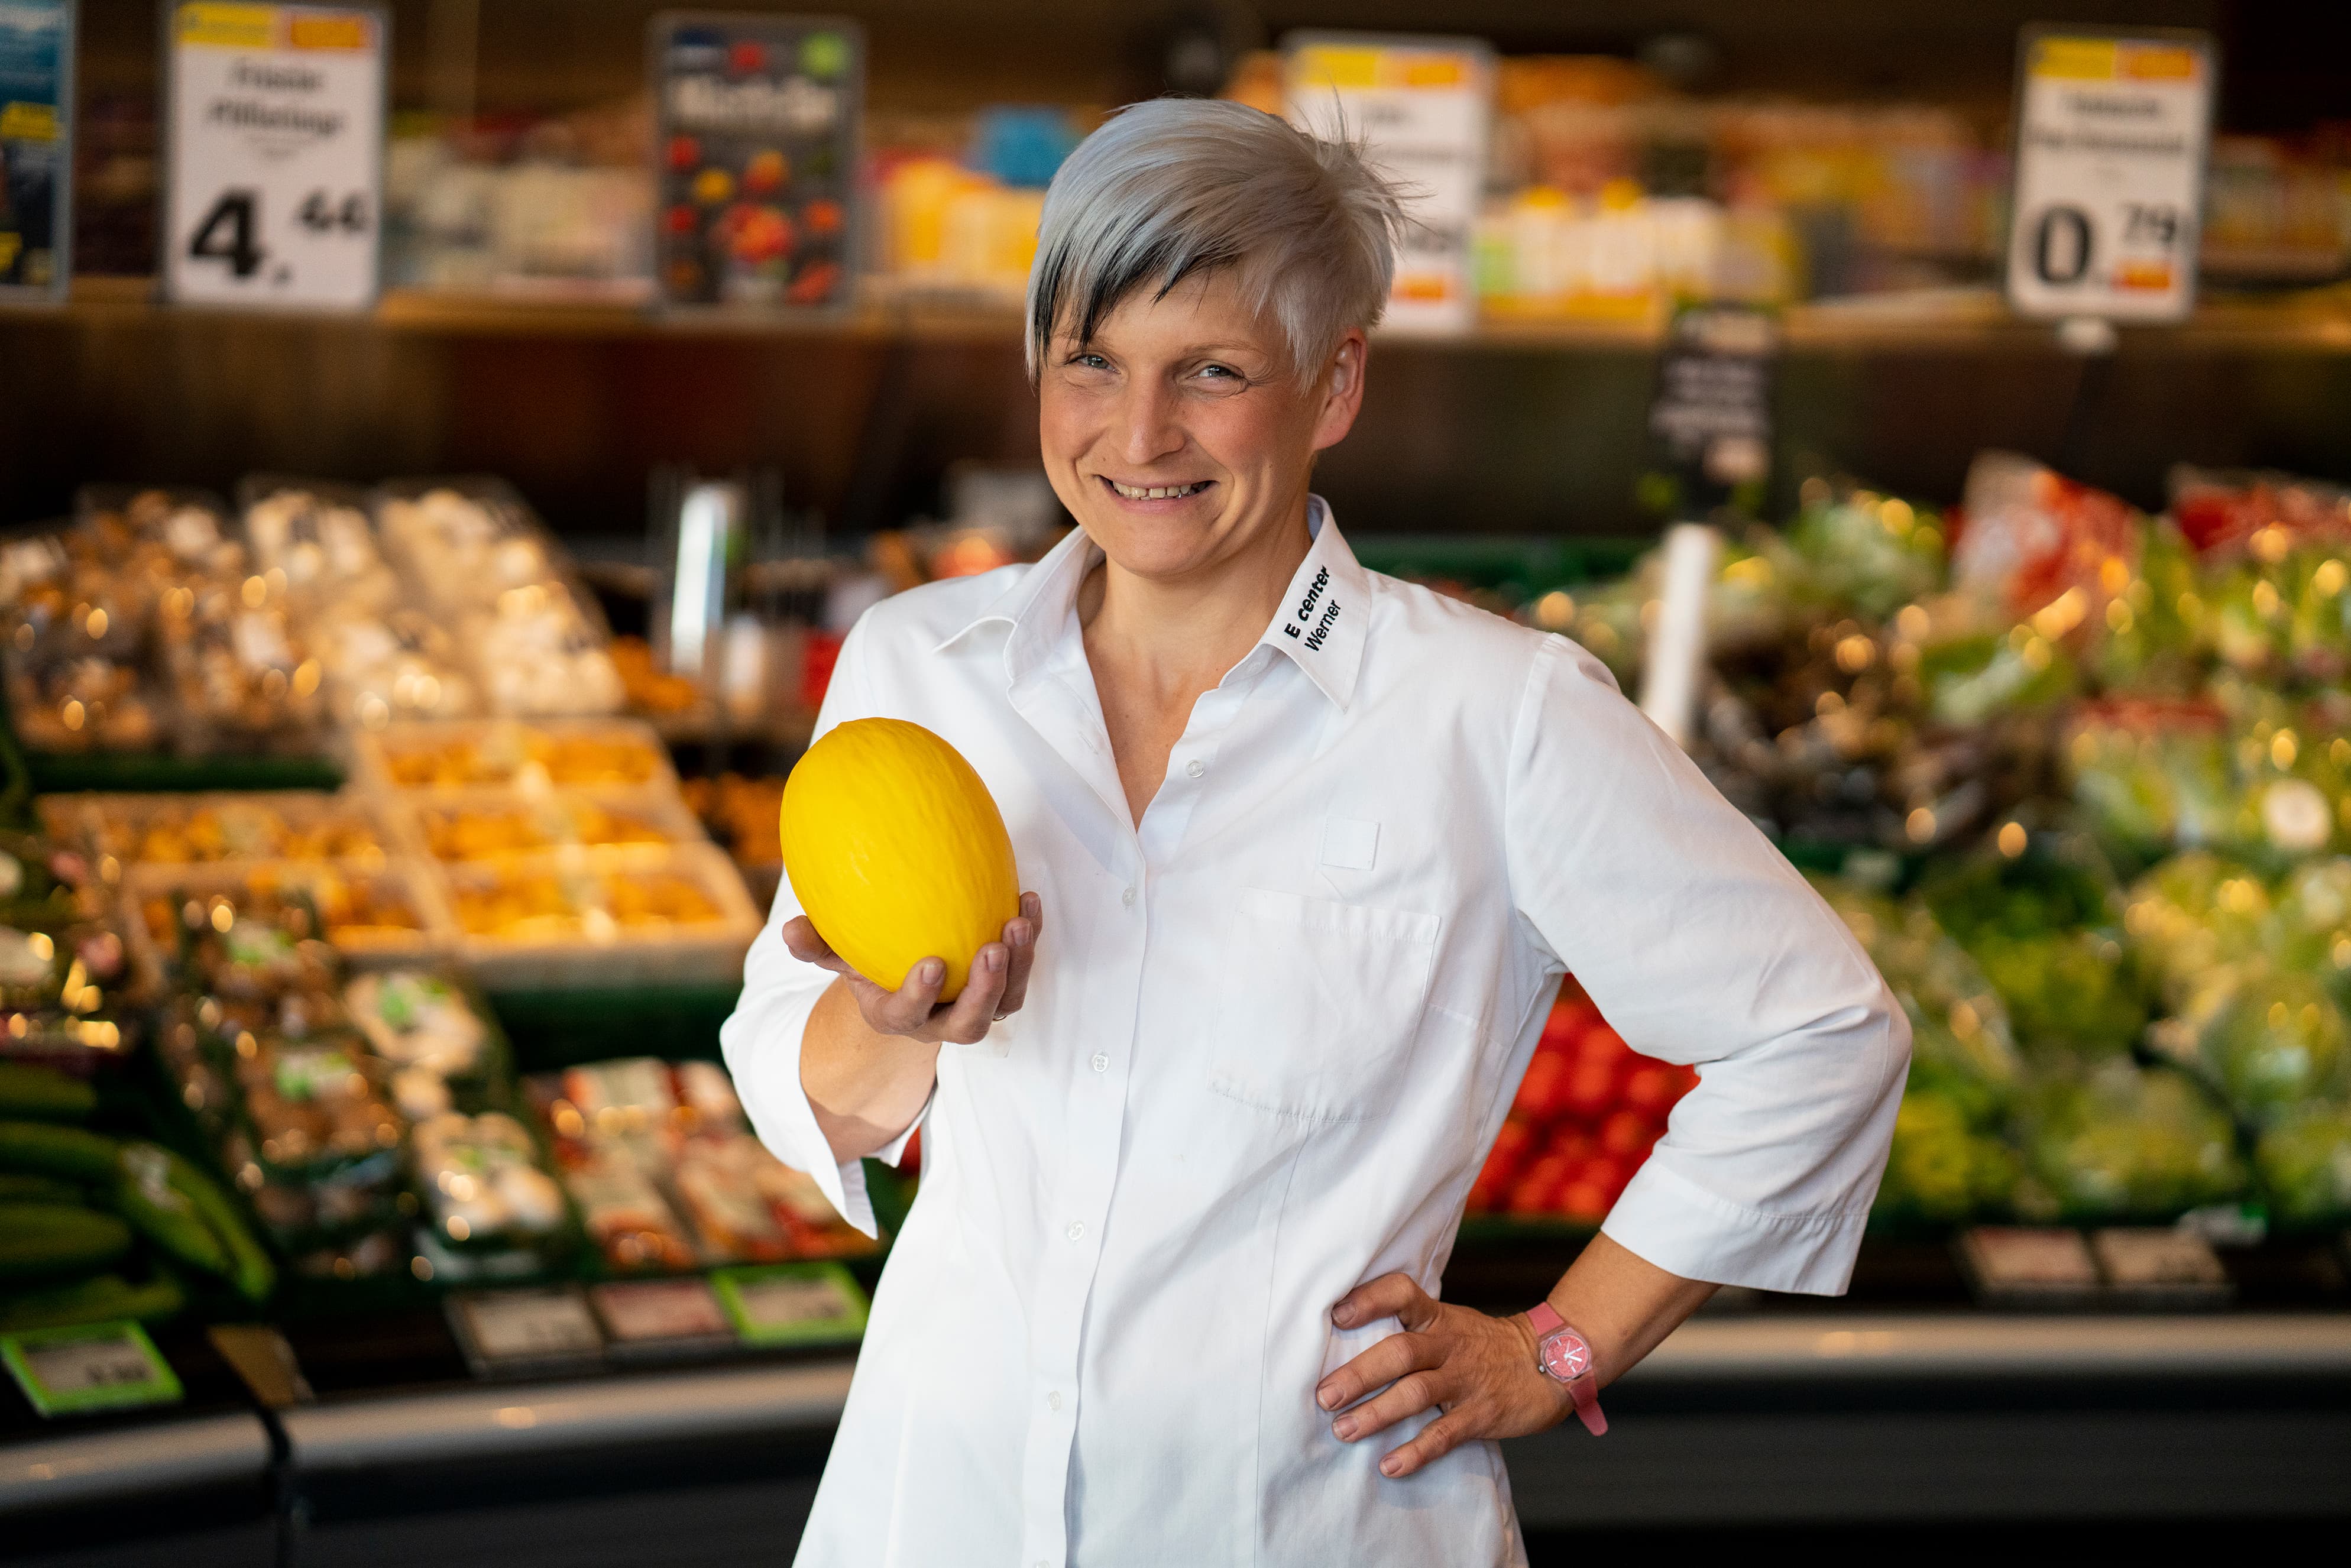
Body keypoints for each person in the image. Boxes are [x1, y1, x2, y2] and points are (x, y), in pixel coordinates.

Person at [722, 98, 1909, 1567]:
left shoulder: (1492, 716)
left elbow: (1820, 1034)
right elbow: (800, 1092)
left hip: (1302, 1523)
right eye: (1089, 359)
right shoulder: (920, 673)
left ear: (1333, 384)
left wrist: (1556, 1349)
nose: (1137, 434)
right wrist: (895, 1023)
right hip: (934, 1512)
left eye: (1209, 372)